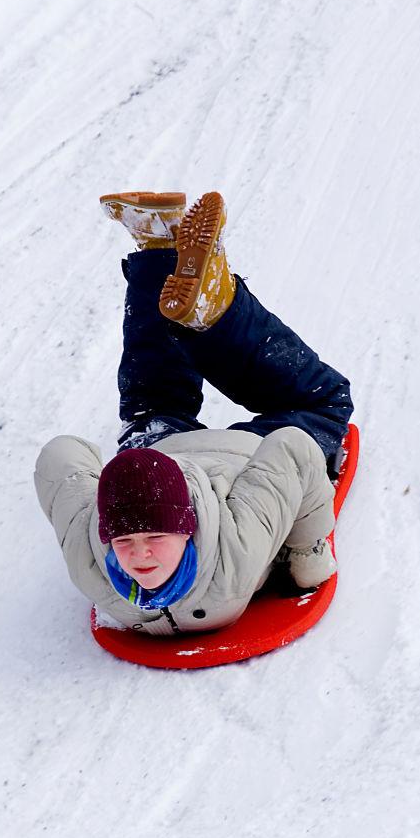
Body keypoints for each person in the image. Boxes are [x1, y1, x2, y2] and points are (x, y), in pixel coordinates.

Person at [34, 191, 353, 636]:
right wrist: (308, 559)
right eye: (123, 540)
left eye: (154, 538)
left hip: (202, 460)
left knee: (321, 401)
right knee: (155, 401)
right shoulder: (228, 552)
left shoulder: (95, 570)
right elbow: (62, 461)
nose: (140, 556)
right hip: (198, 457)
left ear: (187, 530)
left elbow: (57, 457)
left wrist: (307, 556)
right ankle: (198, 296)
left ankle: (167, 255)